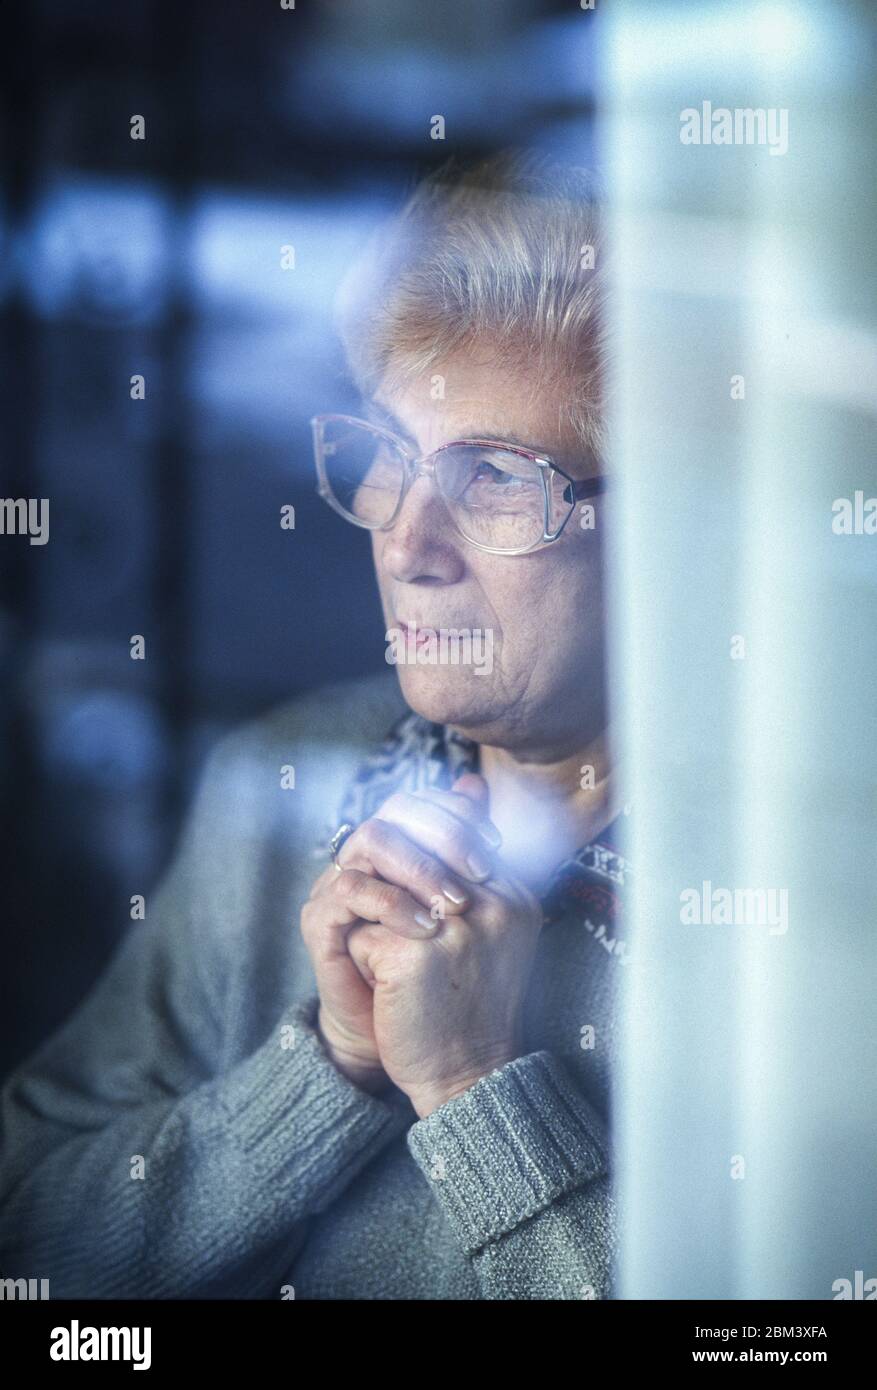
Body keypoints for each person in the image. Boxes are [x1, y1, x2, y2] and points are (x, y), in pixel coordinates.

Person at [0, 150, 628, 1300]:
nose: (403, 542)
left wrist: (477, 1092)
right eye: (389, 460)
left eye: (492, 478)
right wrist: (326, 1071)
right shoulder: (284, 783)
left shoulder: (798, 903)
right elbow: (29, 1250)